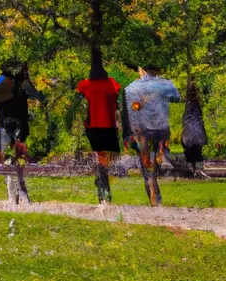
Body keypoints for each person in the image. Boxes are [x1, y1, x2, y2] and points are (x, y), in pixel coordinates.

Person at [123, 66, 181, 206]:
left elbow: (128, 112)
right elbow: (177, 98)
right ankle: (162, 155)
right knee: (153, 163)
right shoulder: (164, 84)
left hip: (142, 131)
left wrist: (127, 135)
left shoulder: (131, 88)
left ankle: (154, 198)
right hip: (160, 130)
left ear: (142, 70)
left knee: (147, 167)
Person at [76, 65, 122, 203]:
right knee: (105, 159)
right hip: (109, 127)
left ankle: (103, 191)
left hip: (94, 127)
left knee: (100, 158)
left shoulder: (87, 85)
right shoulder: (111, 84)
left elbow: (80, 91)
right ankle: (104, 191)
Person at [180, 76, 209, 174]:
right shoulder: (196, 103)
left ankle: (193, 168)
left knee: (189, 147)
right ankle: (196, 168)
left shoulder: (189, 103)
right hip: (196, 127)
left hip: (190, 129)